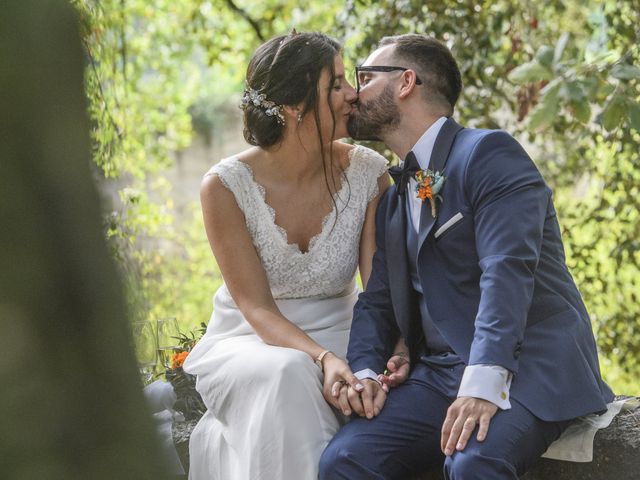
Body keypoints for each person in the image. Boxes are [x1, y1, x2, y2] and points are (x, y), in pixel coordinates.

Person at [319, 34, 614, 479]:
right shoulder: (396, 197)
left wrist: (483, 383)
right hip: (435, 376)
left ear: (406, 82)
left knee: (473, 463)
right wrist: (364, 372)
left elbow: (507, 271)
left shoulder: (488, 154)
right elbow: (378, 299)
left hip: (525, 368)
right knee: (345, 459)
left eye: (364, 78)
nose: (354, 94)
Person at [182, 31, 393, 480]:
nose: (353, 94)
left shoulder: (369, 175)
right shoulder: (224, 188)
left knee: (304, 377)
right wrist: (322, 359)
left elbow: (378, 290)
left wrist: (379, 360)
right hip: (250, 340)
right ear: (296, 106)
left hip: (346, 333)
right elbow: (255, 306)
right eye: (336, 84)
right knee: (289, 374)